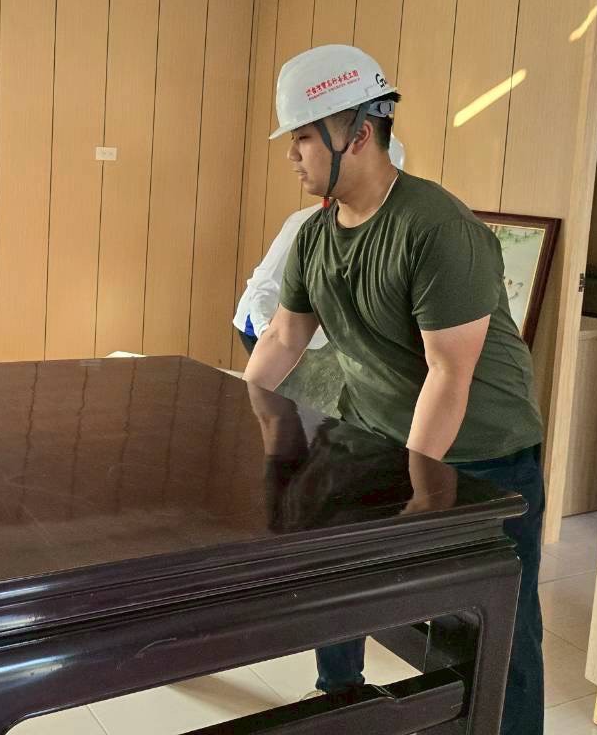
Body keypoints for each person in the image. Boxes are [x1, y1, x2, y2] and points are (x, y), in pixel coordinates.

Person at [243, 44, 546, 735]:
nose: (292, 155)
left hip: (482, 452)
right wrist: (243, 416)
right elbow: (284, 338)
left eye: (302, 137)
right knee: (337, 574)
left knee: (493, 624)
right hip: (376, 433)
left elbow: (449, 372)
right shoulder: (316, 235)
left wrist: (420, 504)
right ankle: (340, 696)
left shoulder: (435, 226)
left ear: (355, 133)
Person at [234, 134, 405, 357]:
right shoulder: (305, 225)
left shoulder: (386, 228)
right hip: (262, 323)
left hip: (314, 332)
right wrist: (269, 336)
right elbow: (265, 285)